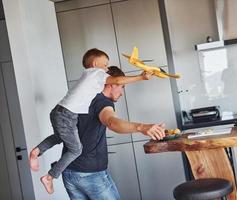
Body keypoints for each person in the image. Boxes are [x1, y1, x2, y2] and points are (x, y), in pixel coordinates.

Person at [29, 49, 153, 194]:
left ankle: (37, 151)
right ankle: (50, 177)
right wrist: (141, 77)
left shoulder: (89, 88)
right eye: (105, 65)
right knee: (76, 149)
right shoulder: (96, 74)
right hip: (89, 172)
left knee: (58, 137)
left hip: (63, 126)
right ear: (95, 64)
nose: (106, 69)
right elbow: (112, 119)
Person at [62, 66, 165, 200]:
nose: (122, 93)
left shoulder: (84, 98)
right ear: (112, 83)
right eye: (122, 87)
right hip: (90, 173)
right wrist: (142, 127)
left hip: (69, 170)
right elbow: (111, 122)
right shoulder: (102, 102)